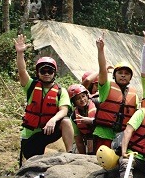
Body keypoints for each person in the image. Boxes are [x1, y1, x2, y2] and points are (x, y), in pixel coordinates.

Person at [15, 34, 73, 162]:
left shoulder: (60, 91)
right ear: (38, 73)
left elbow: (64, 110)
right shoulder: (30, 86)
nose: (46, 74)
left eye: (50, 71)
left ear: (54, 73)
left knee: (65, 121)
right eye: (43, 71)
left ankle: (70, 153)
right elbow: (22, 71)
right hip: (31, 134)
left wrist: (53, 120)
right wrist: (20, 53)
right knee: (33, 162)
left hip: (49, 130)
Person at [92, 34, 144, 153]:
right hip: (104, 134)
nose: (123, 75)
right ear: (114, 75)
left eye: (126, 73)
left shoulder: (134, 95)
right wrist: (101, 50)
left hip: (122, 137)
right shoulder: (106, 87)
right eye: (120, 72)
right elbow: (102, 69)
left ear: (130, 77)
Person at [67, 83, 97, 154]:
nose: (82, 100)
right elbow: (79, 141)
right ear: (74, 102)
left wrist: (92, 121)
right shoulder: (74, 117)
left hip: (102, 136)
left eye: (83, 96)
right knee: (91, 154)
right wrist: (83, 157)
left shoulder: (97, 103)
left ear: (87, 95)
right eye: (78, 99)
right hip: (89, 139)